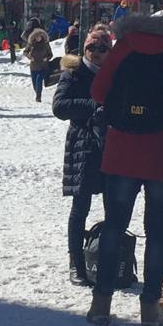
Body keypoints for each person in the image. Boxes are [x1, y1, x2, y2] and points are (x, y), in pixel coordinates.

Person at [86, 0, 163, 326]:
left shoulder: (126, 45)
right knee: (158, 231)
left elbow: (98, 91)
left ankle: (101, 303)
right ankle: (150, 307)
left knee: (113, 225)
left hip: (122, 149)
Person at [53, 27, 111, 286]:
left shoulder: (116, 74)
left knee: (115, 208)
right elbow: (59, 107)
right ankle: (76, 262)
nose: (97, 53)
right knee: (80, 208)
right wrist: (92, 107)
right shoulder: (74, 73)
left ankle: (110, 259)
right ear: (83, 49)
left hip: (112, 145)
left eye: (103, 48)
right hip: (83, 144)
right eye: (92, 48)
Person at [25, 25, 54, 102]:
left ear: (42, 36)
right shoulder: (31, 44)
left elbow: (50, 54)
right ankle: (37, 93)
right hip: (33, 66)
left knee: (39, 81)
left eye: (39, 36)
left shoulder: (45, 44)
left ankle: (38, 97)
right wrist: (29, 57)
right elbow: (25, 52)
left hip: (43, 66)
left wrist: (46, 58)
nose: (38, 38)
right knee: (35, 84)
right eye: (36, 36)